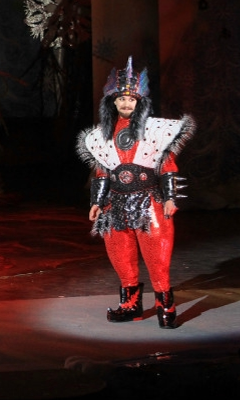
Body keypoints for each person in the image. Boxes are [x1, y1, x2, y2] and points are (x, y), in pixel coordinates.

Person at [77, 57, 195, 328]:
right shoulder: (102, 134)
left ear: (140, 102)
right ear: (112, 102)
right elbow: (102, 171)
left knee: (157, 257)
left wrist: (170, 198)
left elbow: (167, 166)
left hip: (149, 201)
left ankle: (165, 304)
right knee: (121, 256)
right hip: (115, 204)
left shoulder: (155, 130)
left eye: (131, 99)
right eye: (121, 99)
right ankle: (130, 304)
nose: (126, 103)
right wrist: (97, 202)